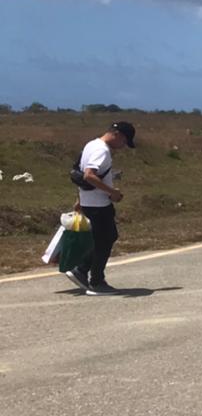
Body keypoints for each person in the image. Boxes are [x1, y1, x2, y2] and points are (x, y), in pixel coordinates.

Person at [66, 121, 136, 296]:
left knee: (102, 239)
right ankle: (95, 281)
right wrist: (112, 192)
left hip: (89, 201)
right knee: (106, 239)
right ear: (117, 134)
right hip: (98, 204)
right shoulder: (102, 151)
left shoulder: (91, 144)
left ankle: (82, 271)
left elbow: (80, 173)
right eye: (124, 142)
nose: (123, 147)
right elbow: (89, 175)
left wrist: (79, 199)